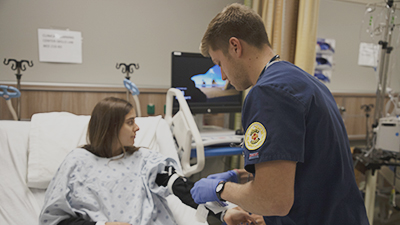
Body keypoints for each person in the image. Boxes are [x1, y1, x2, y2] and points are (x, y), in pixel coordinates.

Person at [190, 3, 370, 225]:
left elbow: (273, 201)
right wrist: (242, 176)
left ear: (235, 46)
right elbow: (307, 167)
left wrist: (220, 189)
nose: (223, 77)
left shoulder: (268, 93)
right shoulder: (305, 82)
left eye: (219, 63)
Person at [39, 97, 260, 225]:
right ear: (110, 127)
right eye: (130, 122)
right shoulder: (77, 162)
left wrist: (223, 213)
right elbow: (54, 219)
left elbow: (182, 189)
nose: (137, 128)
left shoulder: (144, 160)